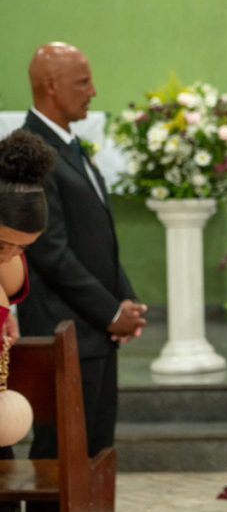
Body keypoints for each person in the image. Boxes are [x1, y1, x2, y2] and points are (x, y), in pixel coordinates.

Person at [20, 42, 147, 460]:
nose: (93, 91)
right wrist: (110, 313)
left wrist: (125, 302)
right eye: (83, 82)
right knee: (61, 454)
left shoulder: (72, 147)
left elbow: (98, 240)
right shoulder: (30, 152)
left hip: (93, 332)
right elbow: (50, 252)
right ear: (52, 86)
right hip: (64, 330)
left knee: (95, 452)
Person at [0, 129, 56, 512]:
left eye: (23, 248)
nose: (12, 256)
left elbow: (13, 284)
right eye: (4, 245)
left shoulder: (9, 261)